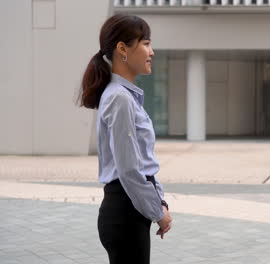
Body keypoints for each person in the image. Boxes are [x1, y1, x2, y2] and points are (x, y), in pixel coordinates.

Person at [78, 14, 172, 264]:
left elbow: (144, 162)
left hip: (130, 209)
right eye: (146, 43)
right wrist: (157, 213)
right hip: (125, 210)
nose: (151, 52)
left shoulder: (123, 97)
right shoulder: (119, 98)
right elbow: (129, 169)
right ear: (122, 49)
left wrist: (159, 202)